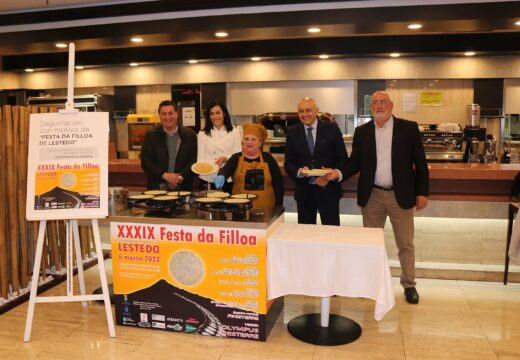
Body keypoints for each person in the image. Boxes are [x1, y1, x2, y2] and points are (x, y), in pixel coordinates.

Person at [344, 90, 429, 304]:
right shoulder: (361, 131)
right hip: (371, 195)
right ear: (370, 107)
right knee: (371, 244)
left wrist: (423, 192)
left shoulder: (408, 128)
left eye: (383, 102)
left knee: (405, 244)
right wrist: (336, 173)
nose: (379, 106)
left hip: (401, 195)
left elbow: (420, 163)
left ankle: (409, 285)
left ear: (390, 105)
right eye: (375, 103)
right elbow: (354, 163)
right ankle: (371, 284)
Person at [284, 97, 348, 225]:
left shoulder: (332, 129)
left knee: (331, 233)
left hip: (328, 191)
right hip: (304, 192)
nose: (304, 114)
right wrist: (300, 172)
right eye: (301, 111)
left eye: (308, 110)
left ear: (317, 111)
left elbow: (343, 159)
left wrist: (330, 175)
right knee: (306, 236)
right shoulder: (292, 132)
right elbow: (289, 163)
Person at [214, 123, 283, 209]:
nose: (249, 142)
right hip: (240, 209)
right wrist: (222, 175)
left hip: (266, 211)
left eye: (253, 139)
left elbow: (278, 184)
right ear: (243, 141)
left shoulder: (268, 158)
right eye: (246, 139)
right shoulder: (236, 157)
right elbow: (226, 169)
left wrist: (278, 206)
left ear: (260, 143)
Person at [141, 100, 197, 191]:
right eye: (164, 114)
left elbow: (194, 160)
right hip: (157, 188)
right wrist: (165, 176)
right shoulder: (151, 135)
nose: (167, 117)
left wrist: (180, 178)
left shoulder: (190, 135)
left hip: (183, 188)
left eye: (170, 113)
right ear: (159, 115)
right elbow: (146, 162)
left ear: (177, 114)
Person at [197, 100, 242, 192]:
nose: (215, 117)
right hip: (207, 178)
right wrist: (205, 171)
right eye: (212, 114)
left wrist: (226, 158)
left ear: (224, 114)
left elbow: (238, 155)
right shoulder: (202, 134)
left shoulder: (234, 132)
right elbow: (200, 159)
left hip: (227, 176)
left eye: (218, 113)